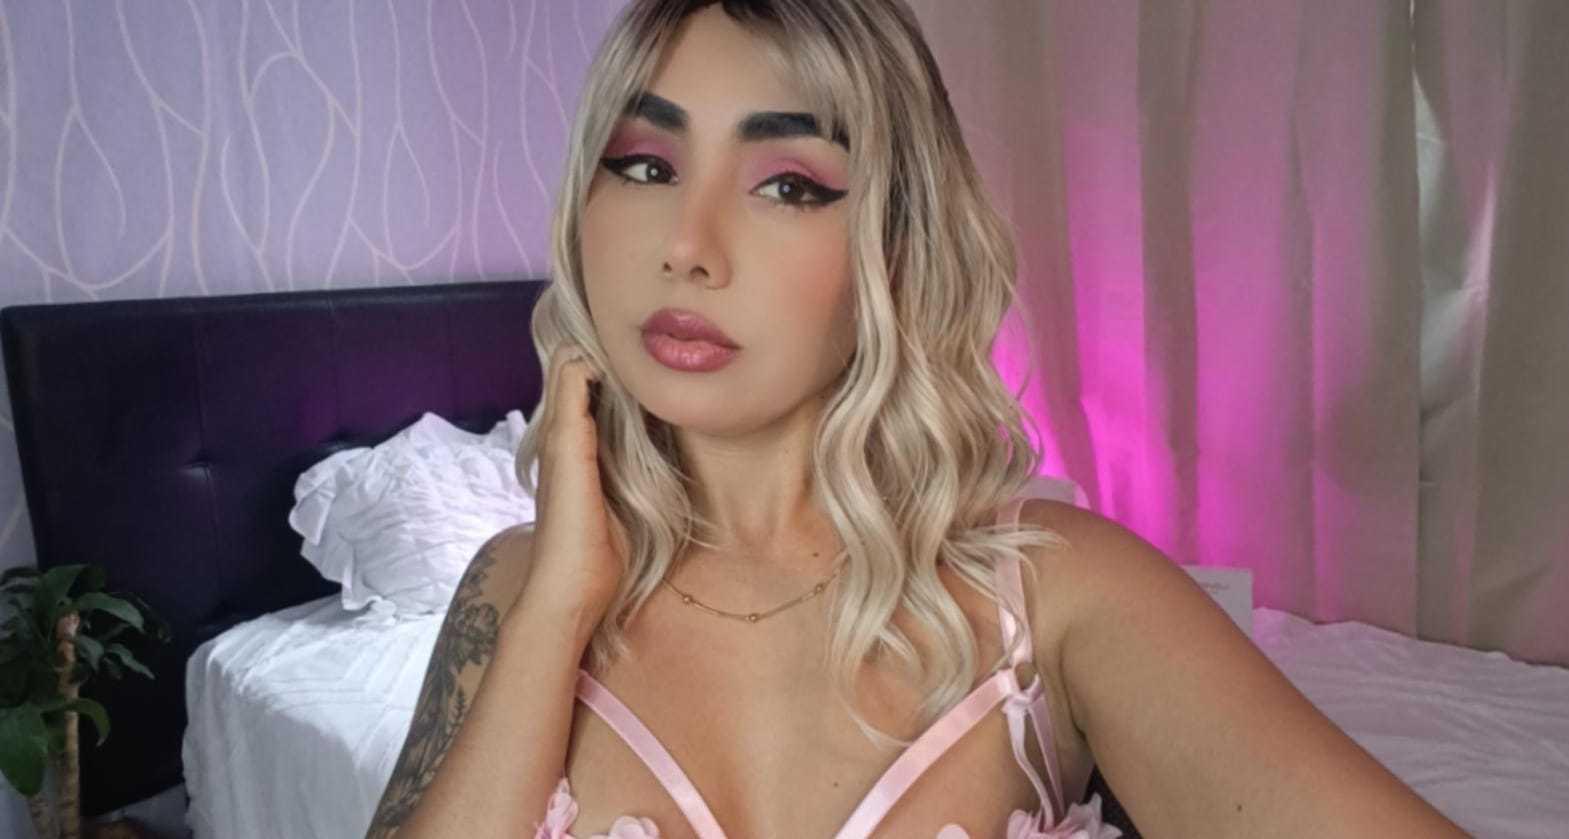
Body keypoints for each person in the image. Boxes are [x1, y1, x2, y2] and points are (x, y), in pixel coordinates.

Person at [367, 1, 1467, 837]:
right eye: (646, 165)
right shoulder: (517, 591)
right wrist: (559, 605)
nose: (687, 245)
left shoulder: (1055, 596)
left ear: (895, 246)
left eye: (788, 184)